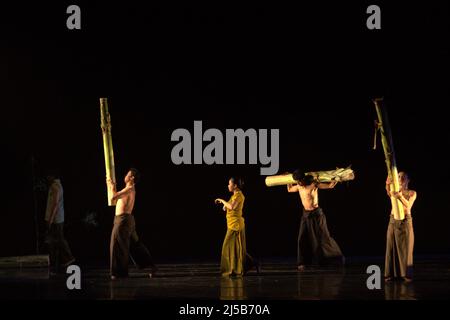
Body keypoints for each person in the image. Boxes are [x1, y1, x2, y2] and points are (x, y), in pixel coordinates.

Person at [287, 170, 344, 271]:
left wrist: (335, 179)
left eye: (300, 181)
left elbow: (330, 186)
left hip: (317, 214)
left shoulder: (313, 184)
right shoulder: (299, 186)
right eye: (297, 182)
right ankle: (302, 263)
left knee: (323, 237)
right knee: (301, 237)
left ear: (303, 179)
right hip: (305, 215)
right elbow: (290, 189)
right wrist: (287, 180)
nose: (299, 183)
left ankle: (335, 258)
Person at [107, 168, 157, 280]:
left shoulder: (129, 189)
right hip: (127, 220)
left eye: (127, 174)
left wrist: (111, 186)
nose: (125, 176)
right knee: (136, 245)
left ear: (132, 178)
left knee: (117, 245)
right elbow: (115, 201)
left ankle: (119, 273)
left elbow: (113, 197)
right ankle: (151, 266)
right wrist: (112, 187)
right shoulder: (129, 189)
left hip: (123, 220)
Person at [215, 177, 260, 277]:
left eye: (229, 184)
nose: (228, 185)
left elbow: (232, 207)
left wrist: (222, 201)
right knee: (237, 248)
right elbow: (229, 206)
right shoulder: (234, 195)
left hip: (236, 226)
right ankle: (252, 263)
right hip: (232, 224)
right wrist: (225, 206)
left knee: (228, 247)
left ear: (235, 186)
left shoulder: (239, 195)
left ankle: (233, 269)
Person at [384, 171, 417, 282]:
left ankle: (406, 274)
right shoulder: (394, 191)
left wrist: (400, 196)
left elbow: (408, 206)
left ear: (408, 180)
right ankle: (390, 274)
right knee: (391, 246)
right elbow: (388, 192)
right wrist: (387, 184)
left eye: (403, 177)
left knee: (406, 249)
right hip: (393, 221)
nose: (400, 179)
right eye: (399, 177)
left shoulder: (412, 193)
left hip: (405, 221)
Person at [44, 173, 75, 274]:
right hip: (55, 218)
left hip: (56, 218)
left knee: (58, 239)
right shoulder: (56, 186)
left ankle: (68, 258)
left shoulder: (55, 186)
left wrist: (51, 219)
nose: (47, 177)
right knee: (56, 240)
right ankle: (62, 260)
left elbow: (55, 203)